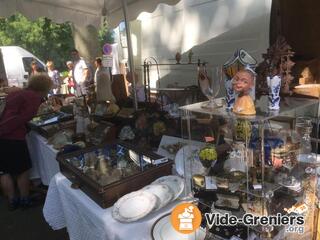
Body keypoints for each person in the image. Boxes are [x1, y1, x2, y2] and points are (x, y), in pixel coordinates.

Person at [0, 74, 52, 210]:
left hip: (2, 135)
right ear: (44, 87)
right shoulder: (33, 97)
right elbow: (28, 116)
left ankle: (12, 201)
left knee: (4, 171)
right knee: (22, 170)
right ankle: (25, 200)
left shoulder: (18, 93)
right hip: (14, 136)